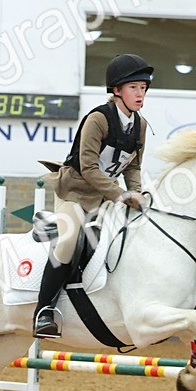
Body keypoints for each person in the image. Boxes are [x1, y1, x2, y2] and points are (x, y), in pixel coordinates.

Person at [33, 53, 152, 339]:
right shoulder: (98, 119)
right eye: (134, 87)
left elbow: (133, 167)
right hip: (74, 193)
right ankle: (44, 310)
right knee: (70, 240)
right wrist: (121, 195)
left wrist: (136, 194)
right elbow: (87, 167)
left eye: (144, 88)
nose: (140, 93)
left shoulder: (141, 125)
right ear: (117, 90)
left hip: (105, 199)